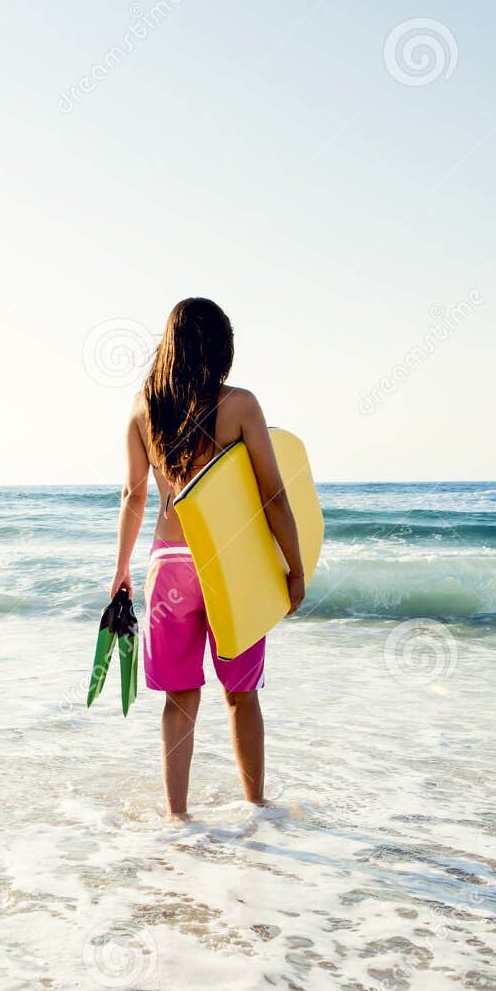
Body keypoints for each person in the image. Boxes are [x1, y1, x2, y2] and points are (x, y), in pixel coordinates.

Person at [110, 298, 305, 817]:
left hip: (169, 563)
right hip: (230, 566)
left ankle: (177, 817)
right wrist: (296, 567)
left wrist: (121, 570)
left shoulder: (141, 409)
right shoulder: (240, 405)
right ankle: (257, 809)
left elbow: (134, 496)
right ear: (223, 347)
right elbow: (274, 496)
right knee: (240, 692)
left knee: (179, 698)